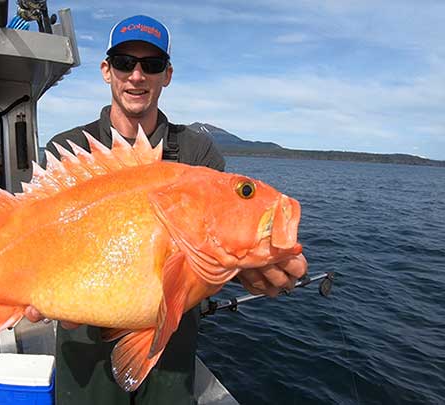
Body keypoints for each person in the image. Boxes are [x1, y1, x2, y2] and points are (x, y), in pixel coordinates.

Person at [25, 15, 307, 404]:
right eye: (124, 62)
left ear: (167, 75)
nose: (136, 75)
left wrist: (251, 269)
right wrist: (31, 288)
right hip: (82, 342)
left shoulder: (197, 153)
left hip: (170, 344)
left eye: (151, 65)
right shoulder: (69, 147)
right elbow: (38, 228)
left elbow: (209, 249)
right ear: (107, 70)